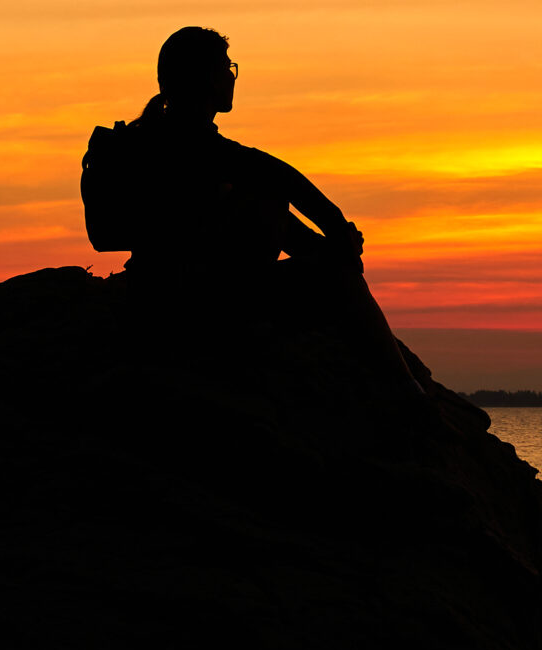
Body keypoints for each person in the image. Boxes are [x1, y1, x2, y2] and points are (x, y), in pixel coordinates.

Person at [83, 27, 424, 393]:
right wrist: (338, 234)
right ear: (205, 78)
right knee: (331, 271)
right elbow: (280, 177)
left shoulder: (162, 141)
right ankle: (412, 400)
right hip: (196, 306)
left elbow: (278, 191)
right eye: (226, 67)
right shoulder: (194, 148)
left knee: (290, 225)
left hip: (167, 297)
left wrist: (333, 245)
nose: (232, 76)